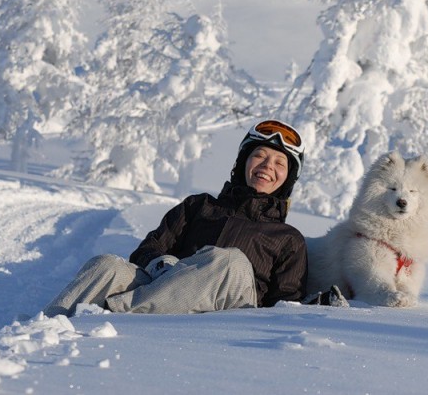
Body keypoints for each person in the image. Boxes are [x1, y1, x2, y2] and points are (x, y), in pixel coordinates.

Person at [43, 119, 308, 317]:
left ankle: (116, 311)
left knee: (230, 260)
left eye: (279, 163)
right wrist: (162, 264)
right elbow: (148, 249)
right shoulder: (199, 205)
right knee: (107, 265)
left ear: (287, 179)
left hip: (232, 311)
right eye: (259, 156)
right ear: (243, 164)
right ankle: (44, 328)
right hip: (173, 294)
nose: (266, 167)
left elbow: (286, 304)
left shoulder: (288, 238)